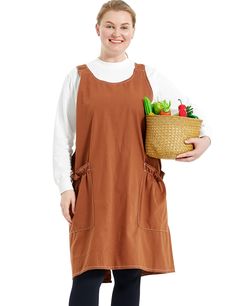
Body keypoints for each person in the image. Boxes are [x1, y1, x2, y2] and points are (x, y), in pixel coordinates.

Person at [52, 1, 211, 305]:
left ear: (133, 32)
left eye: (124, 27)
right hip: (92, 188)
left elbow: (192, 114)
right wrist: (63, 188)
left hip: (136, 187)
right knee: (87, 272)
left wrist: (205, 140)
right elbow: (62, 138)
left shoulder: (148, 74)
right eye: (110, 26)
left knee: (129, 274)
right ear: (97, 29)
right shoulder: (77, 77)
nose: (116, 33)